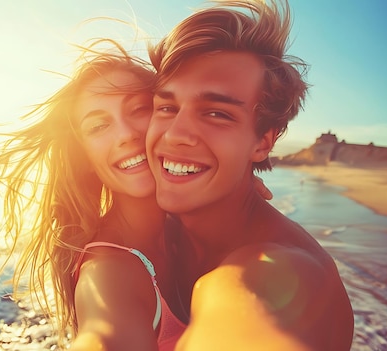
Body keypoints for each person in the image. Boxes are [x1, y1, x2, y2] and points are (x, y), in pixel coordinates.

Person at [145, 1, 355, 350]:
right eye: (167, 107)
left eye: (216, 113)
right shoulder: (154, 228)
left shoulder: (285, 272)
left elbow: (249, 313)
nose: (175, 134)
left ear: (263, 141)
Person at [0, 40, 183, 351]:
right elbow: (104, 334)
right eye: (99, 126)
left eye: (139, 109)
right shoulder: (108, 273)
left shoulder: (196, 220)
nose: (125, 134)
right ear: (85, 159)